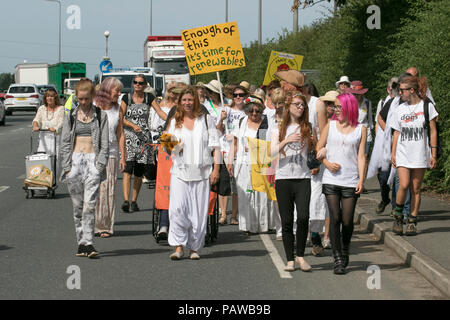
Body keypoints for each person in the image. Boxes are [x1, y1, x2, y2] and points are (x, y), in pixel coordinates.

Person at [165, 86, 220, 260]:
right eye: (184, 100)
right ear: (179, 102)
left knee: (198, 213)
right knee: (177, 209)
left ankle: (194, 248)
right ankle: (178, 246)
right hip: (180, 172)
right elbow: (166, 147)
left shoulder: (206, 120)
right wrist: (175, 146)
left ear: (195, 101)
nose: (188, 103)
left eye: (190, 100)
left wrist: (216, 169)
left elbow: (216, 147)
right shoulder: (174, 122)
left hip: (202, 173)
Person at [316, 93, 367, 275]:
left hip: (350, 179)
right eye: (335, 107)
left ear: (349, 108)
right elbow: (318, 148)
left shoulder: (361, 129)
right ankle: (337, 258)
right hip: (331, 178)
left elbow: (361, 156)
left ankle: (345, 249)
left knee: (347, 221)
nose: (336, 110)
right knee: (335, 218)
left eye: (339, 107)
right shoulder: (330, 126)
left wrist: (361, 179)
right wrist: (327, 163)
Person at [60, 78, 109, 258]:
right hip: (74, 163)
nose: (83, 102)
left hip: (92, 162)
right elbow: (65, 142)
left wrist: (99, 166)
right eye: (80, 99)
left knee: (90, 205)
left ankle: (89, 242)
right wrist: (67, 167)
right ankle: (81, 243)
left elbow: (104, 143)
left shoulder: (100, 115)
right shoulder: (71, 116)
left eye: (86, 99)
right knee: (77, 206)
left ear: (92, 97)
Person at [269, 92, 314, 272]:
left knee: (303, 217)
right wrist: (286, 141)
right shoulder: (278, 129)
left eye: (302, 105)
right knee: (287, 220)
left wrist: (320, 150)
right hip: (284, 178)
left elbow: (315, 149)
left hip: (303, 178)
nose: (300, 108)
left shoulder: (308, 127)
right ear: (289, 107)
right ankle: (290, 259)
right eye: (296, 104)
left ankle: (301, 256)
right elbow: (271, 153)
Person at [391, 75, 438, 236]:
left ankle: (412, 221)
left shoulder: (427, 107)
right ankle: (398, 216)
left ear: (411, 90)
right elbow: (396, 132)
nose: (400, 93)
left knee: (416, 188)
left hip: (419, 153)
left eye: (402, 90)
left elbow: (432, 130)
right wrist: (393, 153)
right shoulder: (399, 109)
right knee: (403, 185)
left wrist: (433, 152)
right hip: (403, 152)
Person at [120, 74, 166, 213]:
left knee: (139, 171)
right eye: (135, 82)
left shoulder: (149, 98)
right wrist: (132, 125)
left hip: (143, 138)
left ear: (145, 85)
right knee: (128, 169)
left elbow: (160, 112)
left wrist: (173, 119)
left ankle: (134, 200)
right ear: (133, 84)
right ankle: (126, 200)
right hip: (129, 137)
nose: (138, 85)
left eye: (140, 83)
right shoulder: (126, 98)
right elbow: (120, 117)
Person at [227, 95, 272, 235]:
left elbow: (268, 144)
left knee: (261, 195)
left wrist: (255, 148)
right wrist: (230, 161)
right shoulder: (242, 122)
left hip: (261, 164)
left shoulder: (267, 123)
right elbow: (235, 143)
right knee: (245, 194)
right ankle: (246, 226)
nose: (254, 114)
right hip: (243, 163)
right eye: (251, 111)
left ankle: (263, 224)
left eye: (257, 111)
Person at [93, 77, 126, 238]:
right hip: (91, 155)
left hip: (111, 154)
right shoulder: (92, 106)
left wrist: (122, 156)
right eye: (117, 91)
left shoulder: (117, 108)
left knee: (108, 190)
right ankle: (91, 223)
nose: (119, 94)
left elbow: (120, 133)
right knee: (93, 190)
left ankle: (104, 226)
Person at [302, 83, 328, 256]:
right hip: (295, 160)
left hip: (313, 158)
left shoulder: (317, 104)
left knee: (315, 199)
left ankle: (316, 235)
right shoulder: (290, 104)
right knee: (301, 202)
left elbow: (323, 132)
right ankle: (303, 235)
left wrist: (317, 161)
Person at [216, 85, 248, 225]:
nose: (238, 97)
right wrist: (221, 119)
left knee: (236, 185)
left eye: (241, 95)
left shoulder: (248, 112)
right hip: (224, 149)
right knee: (223, 183)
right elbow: (218, 130)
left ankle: (233, 215)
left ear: (245, 96)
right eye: (235, 95)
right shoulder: (226, 110)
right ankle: (223, 214)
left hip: (239, 151)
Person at [372, 78, 398, 214]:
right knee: (383, 177)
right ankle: (384, 198)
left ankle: (395, 206)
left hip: (398, 143)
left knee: (397, 178)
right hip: (384, 145)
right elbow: (378, 121)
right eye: (390, 88)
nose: (391, 91)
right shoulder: (382, 103)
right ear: (388, 89)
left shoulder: (401, 102)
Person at [317, 90, 340, 248]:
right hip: (319, 164)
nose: (331, 107)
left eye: (334, 104)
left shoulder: (340, 122)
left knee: (330, 203)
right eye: (328, 104)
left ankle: (327, 236)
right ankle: (314, 233)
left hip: (335, 165)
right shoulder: (318, 119)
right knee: (316, 201)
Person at [347, 81, 373, 194]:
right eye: (354, 94)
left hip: (365, 133)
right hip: (352, 132)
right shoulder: (348, 103)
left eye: (358, 93)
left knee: (364, 157)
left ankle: (361, 181)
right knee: (354, 157)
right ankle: (353, 180)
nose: (356, 96)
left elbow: (370, 119)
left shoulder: (367, 103)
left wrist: (371, 131)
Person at [32, 88, 65, 157]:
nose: (49, 98)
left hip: (56, 138)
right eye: (48, 96)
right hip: (44, 138)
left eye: (51, 96)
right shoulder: (42, 108)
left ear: (55, 97)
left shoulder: (61, 109)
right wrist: (35, 125)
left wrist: (55, 128)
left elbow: (61, 122)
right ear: (45, 98)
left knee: (55, 161)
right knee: (42, 160)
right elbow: (37, 119)